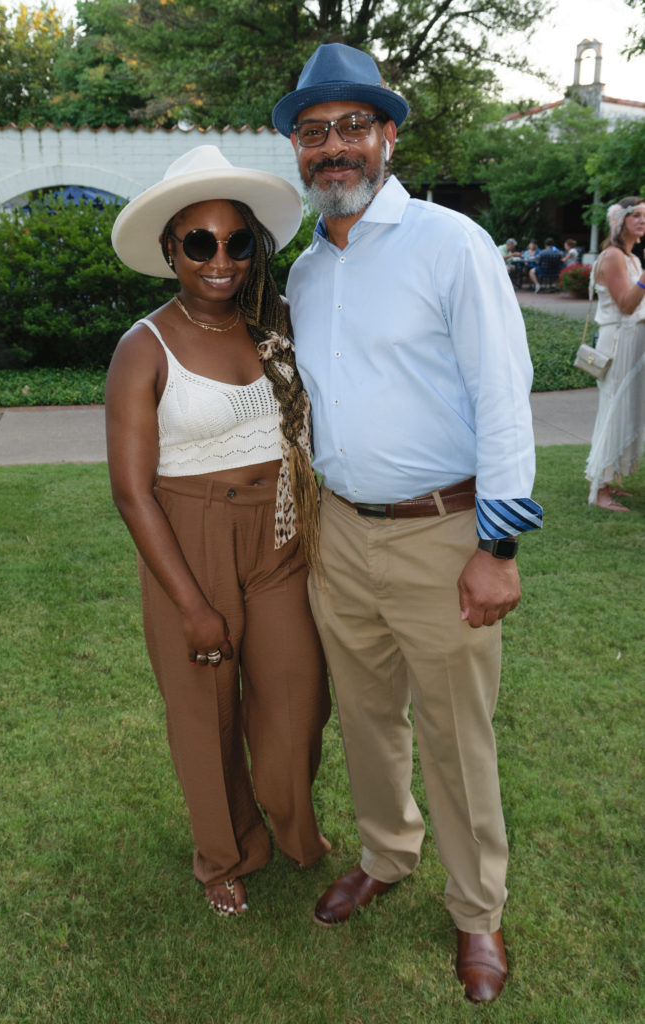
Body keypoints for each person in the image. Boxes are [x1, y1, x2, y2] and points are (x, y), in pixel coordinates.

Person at [272, 43, 543, 1004]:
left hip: (443, 531)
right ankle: (387, 855)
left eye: (351, 127)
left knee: (454, 735)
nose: (332, 148)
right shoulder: (304, 270)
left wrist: (496, 547)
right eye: (313, 133)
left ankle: (478, 911)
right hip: (339, 532)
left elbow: (502, 399)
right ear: (296, 152)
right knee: (369, 720)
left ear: (387, 136)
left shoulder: (449, 242)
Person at [106, 145, 331, 917]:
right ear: (171, 250)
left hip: (278, 535)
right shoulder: (144, 347)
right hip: (189, 539)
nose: (220, 259)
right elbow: (131, 493)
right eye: (199, 243)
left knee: (297, 697)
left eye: (238, 241)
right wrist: (192, 604)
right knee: (206, 713)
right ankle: (224, 854)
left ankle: (297, 829)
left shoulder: (275, 329)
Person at [585, 197, 645, 510]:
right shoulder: (612, 256)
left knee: (622, 411)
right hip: (618, 342)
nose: (642, 220)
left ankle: (609, 478)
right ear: (620, 221)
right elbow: (626, 303)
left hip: (633, 340)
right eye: (635, 215)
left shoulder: (631, 256)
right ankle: (600, 491)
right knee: (613, 411)